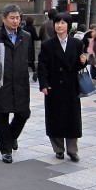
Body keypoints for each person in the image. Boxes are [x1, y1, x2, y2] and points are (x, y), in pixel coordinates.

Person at [37, 12, 87, 161]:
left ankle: (72, 150)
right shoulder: (48, 45)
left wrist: (82, 61)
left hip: (71, 86)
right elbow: (42, 66)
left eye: (63, 23)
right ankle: (58, 148)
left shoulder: (77, 44)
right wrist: (44, 84)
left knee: (72, 118)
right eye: (57, 23)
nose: (59, 25)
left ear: (68, 26)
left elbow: (77, 66)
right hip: (54, 86)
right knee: (55, 117)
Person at [0, 4, 32, 164]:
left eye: (18, 17)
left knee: (23, 113)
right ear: (4, 19)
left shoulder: (26, 37)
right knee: (1, 116)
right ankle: (6, 150)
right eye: (12, 18)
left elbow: (30, 59)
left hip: (21, 83)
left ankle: (11, 137)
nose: (15, 21)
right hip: (1, 83)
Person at [23, 16, 39, 82]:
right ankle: (34, 72)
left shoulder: (24, 28)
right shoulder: (32, 28)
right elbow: (35, 37)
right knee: (32, 62)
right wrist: (40, 37)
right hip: (31, 46)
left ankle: (26, 74)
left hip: (25, 46)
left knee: (26, 61)